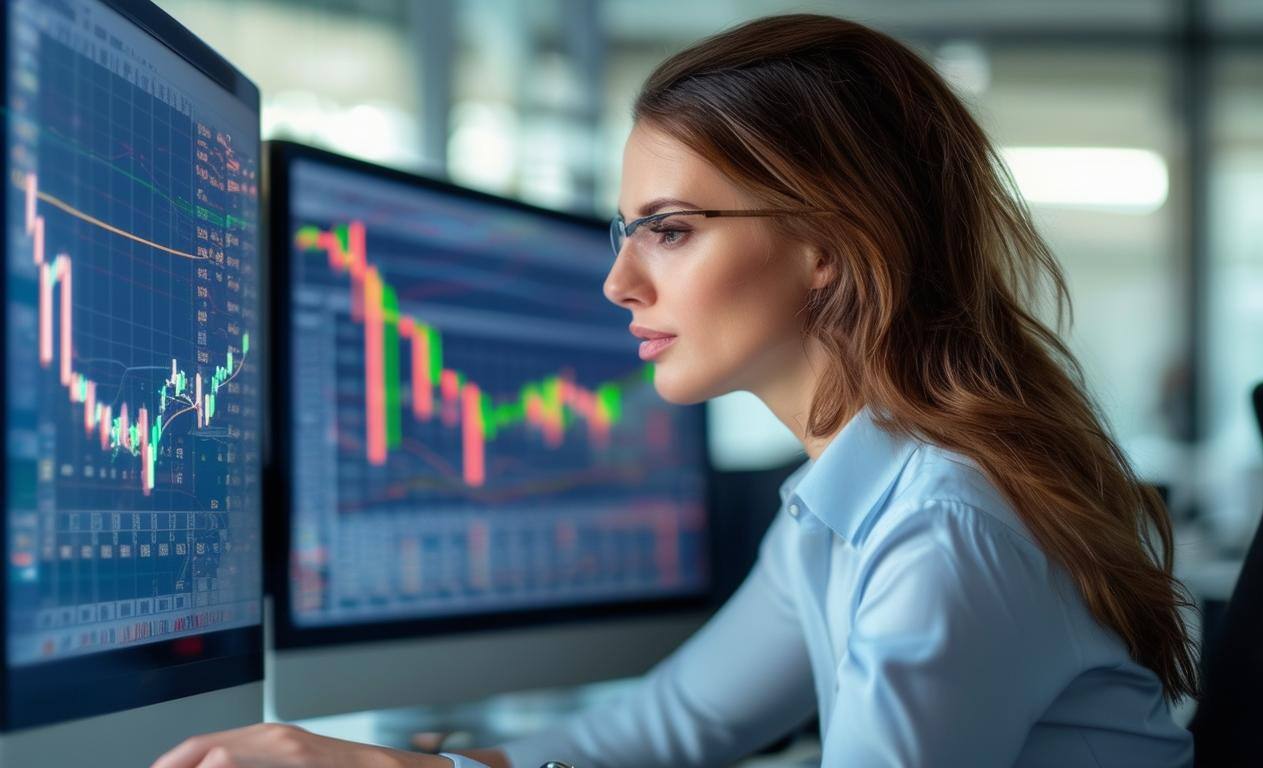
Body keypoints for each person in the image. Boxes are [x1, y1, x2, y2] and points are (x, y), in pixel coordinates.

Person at [153, 14, 1198, 768]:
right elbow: (666, 730)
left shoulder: (942, 530)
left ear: (828, 245)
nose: (620, 282)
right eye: (629, 232)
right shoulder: (841, 510)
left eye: (672, 229)